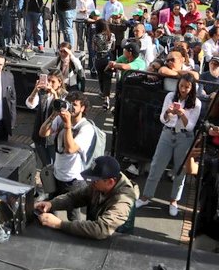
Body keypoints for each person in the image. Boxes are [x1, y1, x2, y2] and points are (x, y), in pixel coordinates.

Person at [136, 76, 203, 216]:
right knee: (156, 165)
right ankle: (145, 197)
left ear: (192, 88)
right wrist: (168, 112)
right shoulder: (170, 96)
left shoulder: (196, 103)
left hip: (185, 137)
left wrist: (182, 114)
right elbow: (162, 118)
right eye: (181, 86)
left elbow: (190, 126)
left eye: (187, 87)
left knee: (180, 170)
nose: (183, 89)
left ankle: (174, 201)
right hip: (167, 133)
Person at [34, 156, 138, 240]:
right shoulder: (98, 185)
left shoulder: (123, 201)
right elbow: (75, 197)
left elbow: (101, 229)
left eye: (95, 180)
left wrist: (59, 224)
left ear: (110, 182)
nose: (91, 183)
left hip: (113, 245)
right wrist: (51, 204)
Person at [38, 91, 96, 220]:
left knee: (73, 218)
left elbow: (71, 149)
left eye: (74, 105)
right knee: (49, 210)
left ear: (83, 108)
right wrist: (53, 115)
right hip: (57, 175)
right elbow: (42, 133)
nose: (71, 107)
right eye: (69, 104)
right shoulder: (60, 119)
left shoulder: (86, 128)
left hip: (74, 181)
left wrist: (68, 125)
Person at [25, 71, 66, 174]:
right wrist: (35, 90)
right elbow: (30, 105)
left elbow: (61, 112)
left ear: (60, 82)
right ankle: (47, 181)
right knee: (46, 165)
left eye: (53, 81)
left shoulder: (64, 95)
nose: (50, 84)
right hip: (40, 134)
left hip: (53, 137)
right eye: (48, 80)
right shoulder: (42, 93)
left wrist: (55, 94)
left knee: (54, 165)